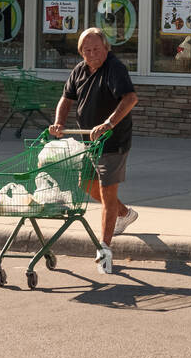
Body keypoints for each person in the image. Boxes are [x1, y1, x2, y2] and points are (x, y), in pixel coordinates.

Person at [50, 27, 140, 274]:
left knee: (106, 192)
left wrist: (109, 123)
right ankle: (124, 213)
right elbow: (66, 99)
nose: (92, 54)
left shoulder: (115, 68)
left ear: (106, 48)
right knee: (85, 184)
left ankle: (105, 249)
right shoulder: (79, 70)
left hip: (112, 141)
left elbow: (130, 98)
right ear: (81, 52)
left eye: (96, 49)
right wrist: (59, 122)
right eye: (87, 50)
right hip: (87, 141)